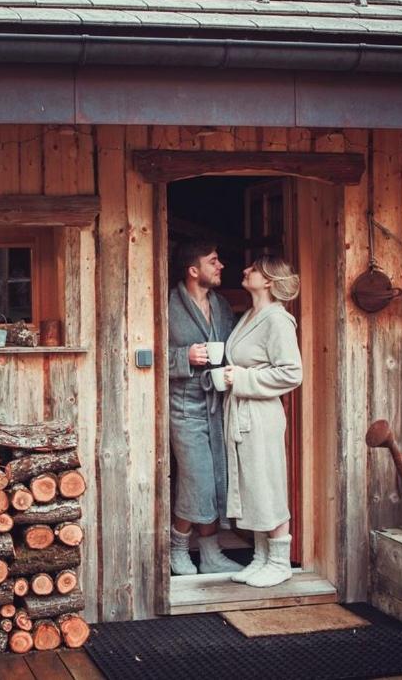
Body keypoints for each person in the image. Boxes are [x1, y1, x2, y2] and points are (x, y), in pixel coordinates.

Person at [221, 254, 303, 588]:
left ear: (268, 280)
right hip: (242, 410)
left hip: (261, 413)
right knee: (251, 484)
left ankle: (280, 561)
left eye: (253, 269)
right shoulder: (251, 315)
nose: (245, 270)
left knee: (266, 483)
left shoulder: (277, 321)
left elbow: (292, 372)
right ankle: (260, 558)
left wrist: (241, 379)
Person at [168, 241, 242, 575]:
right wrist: (185, 357)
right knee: (197, 479)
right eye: (213, 261)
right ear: (193, 270)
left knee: (216, 479)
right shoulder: (167, 305)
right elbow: (144, 353)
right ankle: (177, 547)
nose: (221, 266)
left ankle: (211, 553)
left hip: (217, 404)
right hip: (185, 405)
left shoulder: (222, 305)